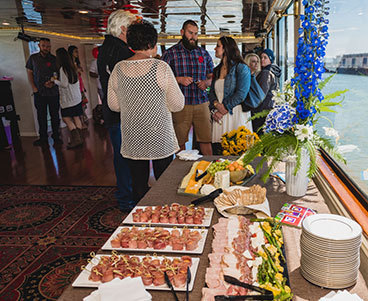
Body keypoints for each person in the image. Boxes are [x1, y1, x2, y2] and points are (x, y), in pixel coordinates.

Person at [108, 20, 184, 203]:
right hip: (160, 137)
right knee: (165, 183)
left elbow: (114, 105)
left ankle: (141, 220)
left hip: (134, 136)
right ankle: (165, 218)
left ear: (130, 43)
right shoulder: (161, 67)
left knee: (139, 184)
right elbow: (177, 104)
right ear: (151, 44)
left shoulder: (118, 69)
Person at [97, 9, 136, 211]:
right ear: (123, 29)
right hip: (122, 113)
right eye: (131, 27)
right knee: (125, 157)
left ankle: (126, 195)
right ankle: (127, 199)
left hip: (114, 112)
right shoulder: (121, 52)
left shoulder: (105, 48)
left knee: (122, 156)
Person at [162, 20, 214, 155]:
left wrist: (206, 83)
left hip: (202, 103)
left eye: (196, 34)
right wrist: (178, 79)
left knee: (206, 140)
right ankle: (180, 173)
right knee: (180, 141)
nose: (193, 37)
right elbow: (161, 78)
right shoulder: (170, 53)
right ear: (182, 32)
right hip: (180, 104)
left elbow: (212, 76)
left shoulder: (203, 54)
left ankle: (209, 170)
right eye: (190, 33)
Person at [209, 36, 252, 155]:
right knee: (220, 152)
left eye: (218, 46)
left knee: (238, 153)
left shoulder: (241, 68)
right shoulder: (217, 70)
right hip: (219, 115)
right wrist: (216, 107)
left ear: (226, 49)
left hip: (235, 114)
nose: (215, 48)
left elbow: (241, 94)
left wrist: (224, 108)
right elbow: (211, 92)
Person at [26, 38, 62, 146]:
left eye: (48, 46)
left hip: (53, 92)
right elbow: (30, 73)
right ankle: (43, 138)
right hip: (39, 92)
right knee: (41, 116)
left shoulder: (54, 59)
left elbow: (58, 74)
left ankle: (56, 136)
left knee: (55, 116)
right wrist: (34, 87)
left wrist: (53, 83)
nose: (46, 48)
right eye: (44, 46)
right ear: (39, 46)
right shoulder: (33, 58)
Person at [52, 48, 83, 149]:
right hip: (77, 98)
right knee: (76, 117)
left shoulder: (63, 69)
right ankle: (79, 138)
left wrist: (54, 81)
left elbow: (64, 84)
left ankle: (77, 139)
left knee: (66, 118)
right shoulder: (73, 66)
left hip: (68, 100)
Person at [252, 49, 281, 133]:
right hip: (270, 108)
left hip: (262, 110)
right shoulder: (274, 71)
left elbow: (261, 94)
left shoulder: (266, 73)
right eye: (261, 57)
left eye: (265, 58)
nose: (262, 60)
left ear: (270, 59)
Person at [68, 45, 88, 128]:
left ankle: (82, 122)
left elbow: (80, 73)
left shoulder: (76, 62)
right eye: (75, 51)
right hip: (74, 87)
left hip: (80, 85)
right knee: (77, 106)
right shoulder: (69, 64)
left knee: (82, 105)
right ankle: (79, 123)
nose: (77, 53)